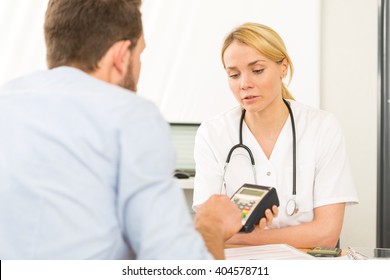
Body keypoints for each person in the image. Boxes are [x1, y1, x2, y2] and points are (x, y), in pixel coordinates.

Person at [0, 0, 242, 260]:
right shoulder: (130, 116)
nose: (138, 67)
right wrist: (211, 223)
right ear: (121, 56)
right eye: (140, 55)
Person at [192, 22, 359, 249]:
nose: (245, 84)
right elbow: (206, 233)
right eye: (234, 74)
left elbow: (327, 234)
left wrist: (238, 238)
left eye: (257, 70)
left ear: (283, 67)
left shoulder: (321, 127)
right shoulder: (213, 134)